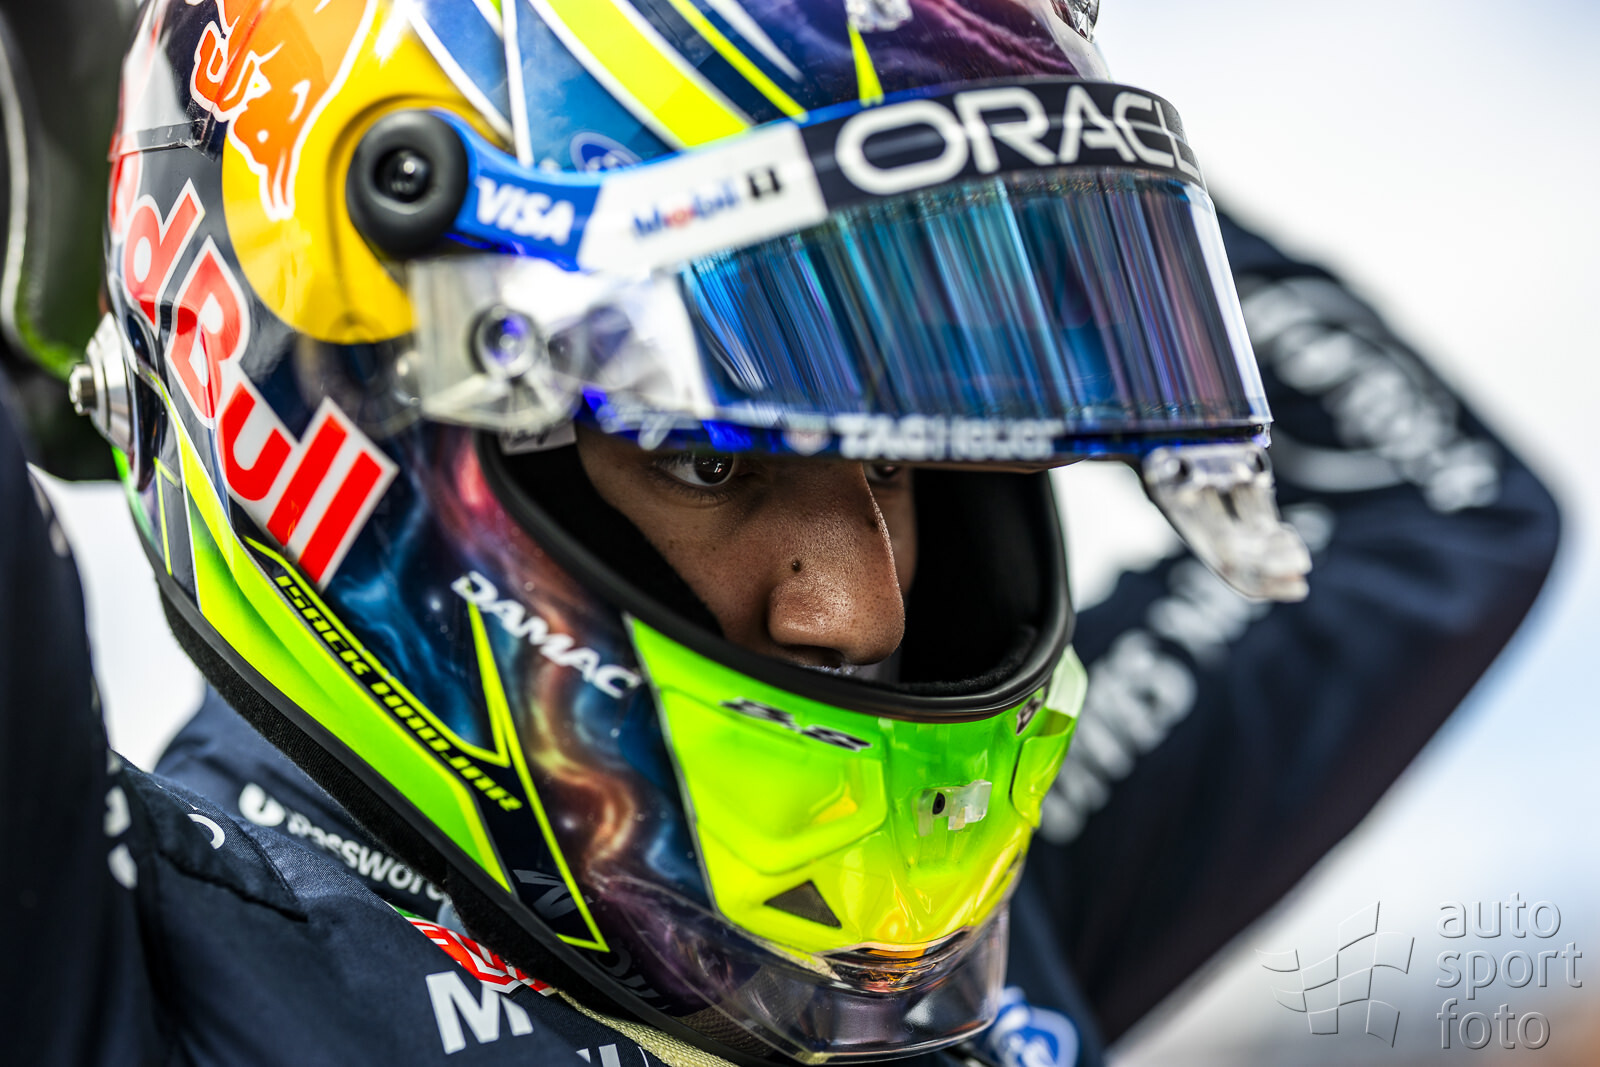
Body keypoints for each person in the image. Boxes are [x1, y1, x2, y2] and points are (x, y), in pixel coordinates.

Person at [0, 1, 1559, 1065]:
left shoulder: (909, 928)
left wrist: (932, 114)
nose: (860, 611)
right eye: (705, 455)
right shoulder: (123, 960)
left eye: (911, 461)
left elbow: (1436, 505)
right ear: (340, 418)